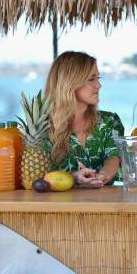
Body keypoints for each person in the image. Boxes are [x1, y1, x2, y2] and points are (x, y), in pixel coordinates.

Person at [44, 51, 124, 187]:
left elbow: (114, 156)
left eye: (98, 78)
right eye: (91, 79)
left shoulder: (109, 121)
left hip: (105, 205)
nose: (99, 85)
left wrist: (103, 175)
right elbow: (37, 178)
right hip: (58, 207)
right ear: (70, 83)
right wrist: (73, 177)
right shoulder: (43, 127)